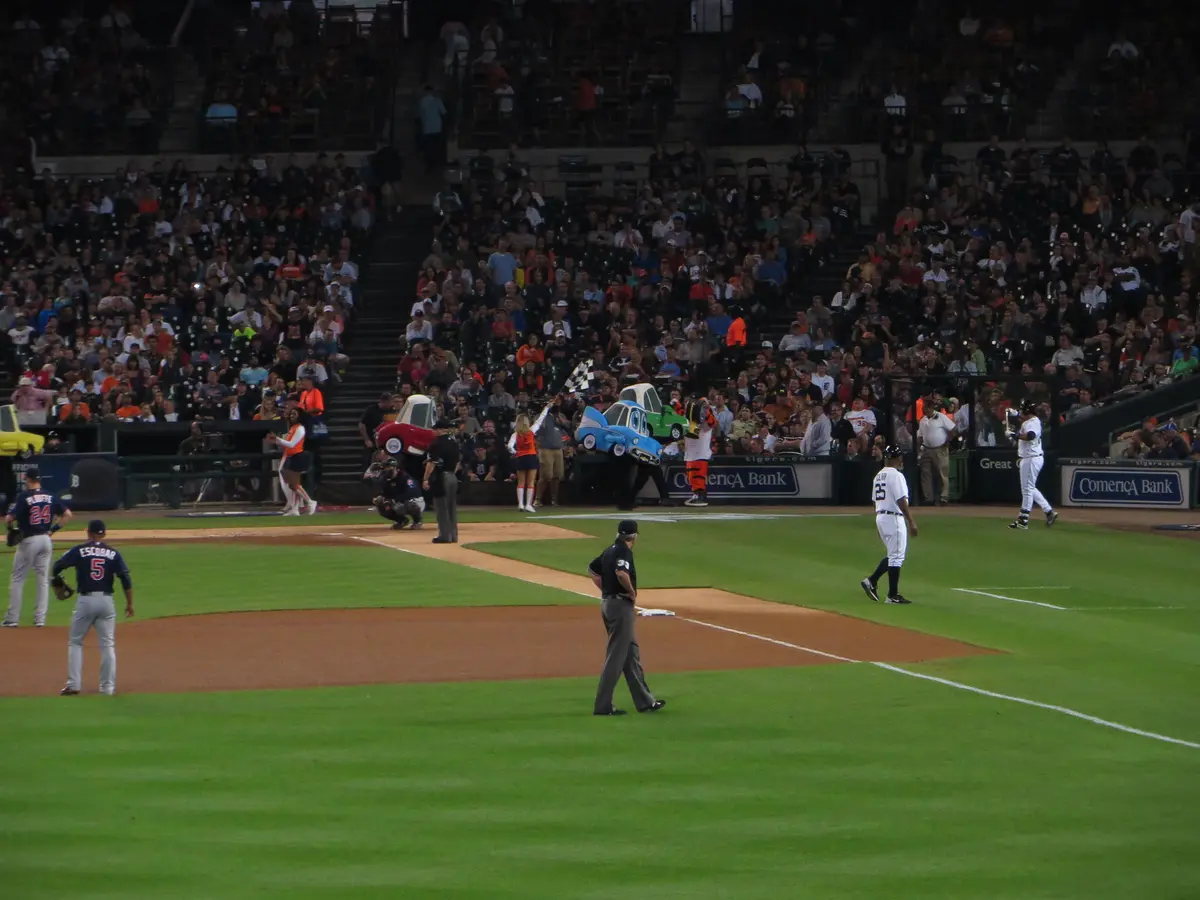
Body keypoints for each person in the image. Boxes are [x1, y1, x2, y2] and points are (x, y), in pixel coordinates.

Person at [587, 519, 665, 716]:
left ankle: (646, 702)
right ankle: (603, 706)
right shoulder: (623, 551)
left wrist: (606, 590)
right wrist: (630, 592)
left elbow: (592, 570)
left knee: (630, 654)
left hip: (608, 603)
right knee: (616, 656)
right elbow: (621, 573)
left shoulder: (610, 549)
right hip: (620, 606)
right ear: (635, 536)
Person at [52, 520, 133, 696]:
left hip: (86, 601)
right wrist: (130, 603)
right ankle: (107, 688)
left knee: (75, 641)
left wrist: (56, 577)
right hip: (106, 601)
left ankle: (73, 685)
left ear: (88, 532)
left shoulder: (79, 550)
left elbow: (57, 565)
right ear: (104, 534)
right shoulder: (113, 553)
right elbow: (125, 578)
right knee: (107, 644)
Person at [3, 468, 72, 627]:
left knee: (18, 579)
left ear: (28, 479)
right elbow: (67, 514)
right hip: (45, 540)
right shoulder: (50, 495)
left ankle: (12, 619)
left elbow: (8, 518)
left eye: (26, 479)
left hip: (29, 541)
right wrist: (52, 530)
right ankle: (40, 619)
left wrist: (11, 528)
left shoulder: (24, 497)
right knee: (42, 580)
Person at [861, 446, 917, 605]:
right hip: (893, 518)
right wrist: (911, 521)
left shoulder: (879, 476)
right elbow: (901, 500)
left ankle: (874, 583)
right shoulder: (896, 475)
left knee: (893, 555)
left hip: (881, 516)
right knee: (897, 556)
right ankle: (890, 593)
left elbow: (875, 501)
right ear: (897, 458)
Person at [1009, 400, 1059, 530]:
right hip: (1030, 458)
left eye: (1022, 411)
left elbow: (1030, 435)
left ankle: (1023, 519)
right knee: (1030, 488)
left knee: (1027, 490)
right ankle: (1049, 512)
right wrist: (1014, 415)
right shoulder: (1030, 421)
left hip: (1031, 458)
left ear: (1028, 412)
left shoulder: (1033, 422)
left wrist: (1015, 435)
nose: (1021, 413)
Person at [267, 407, 317, 515]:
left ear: (300, 416)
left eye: (295, 414)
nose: (292, 416)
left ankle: (310, 501)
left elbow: (292, 444)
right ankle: (295, 509)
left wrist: (278, 439)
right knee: (292, 484)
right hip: (292, 456)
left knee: (294, 484)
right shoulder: (293, 427)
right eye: (292, 414)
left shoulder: (300, 428)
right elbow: (288, 444)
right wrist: (277, 441)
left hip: (297, 456)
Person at [364, 455, 425, 530]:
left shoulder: (405, 477)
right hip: (397, 502)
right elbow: (379, 489)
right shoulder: (384, 478)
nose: (388, 470)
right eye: (386, 468)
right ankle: (401, 520)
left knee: (410, 503)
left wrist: (395, 499)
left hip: (415, 500)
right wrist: (380, 497)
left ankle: (417, 521)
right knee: (380, 502)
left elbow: (412, 493)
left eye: (390, 468)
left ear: (397, 469)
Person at [424, 419, 460, 543]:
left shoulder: (436, 444)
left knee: (441, 507)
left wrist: (426, 479)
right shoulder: (454, 443)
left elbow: (431, 463)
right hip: (452, 476)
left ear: (440, 430)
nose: (433, 431)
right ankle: (453, 535)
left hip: (441, 477)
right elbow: (458, 463)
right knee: (451, 507)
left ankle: (445, 536)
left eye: (435, 429)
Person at [917, 402, 956, 505]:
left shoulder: (941, 417)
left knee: (942, 474)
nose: (924, 410)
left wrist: (947, 442)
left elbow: (953, 429)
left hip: (940, 449)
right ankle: (928, 498)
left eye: (926, 408)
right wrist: (918, 449)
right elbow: (920, 436)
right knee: (926, 474)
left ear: (931, 407)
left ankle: (944, 497)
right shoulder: (923, 420)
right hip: (926, 449)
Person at [683, 396, 716, 506]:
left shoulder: (706, 419)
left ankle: (700, 496)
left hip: (700, 453)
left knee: (698, 476)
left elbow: (712, 423)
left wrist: (704, 410)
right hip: (690, 453)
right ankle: (695, 495)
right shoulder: (687, 418)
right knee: (691, 475)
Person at [534, 403, 567, 507]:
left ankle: (554, 499)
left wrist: (559, 418)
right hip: (545, 448)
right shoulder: (540, 417)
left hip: (558, 448)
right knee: (545, 475)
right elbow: (539, 430)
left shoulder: (559, 416)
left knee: (557, 476)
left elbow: (567, 427)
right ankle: (537, 499)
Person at [512, 414, 539, 511]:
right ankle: (528, 504)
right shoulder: (531, 431)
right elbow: (539, 420)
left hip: (521, 458)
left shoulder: (515, 434)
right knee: (531, 482)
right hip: (531, 457)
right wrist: (547, 408)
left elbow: (510, 446)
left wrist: (516, 452)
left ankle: (520, 504)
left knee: (521, 482)